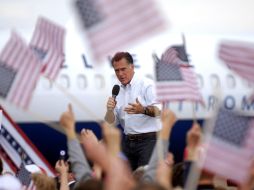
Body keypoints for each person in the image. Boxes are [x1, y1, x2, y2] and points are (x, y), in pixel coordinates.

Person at [105, 52, 162, 170]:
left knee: (145, 183)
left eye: (123, 69)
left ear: (132, 67)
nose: (120, 74)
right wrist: (110, 110)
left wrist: (143, 110)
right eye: (117, 71)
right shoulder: (117, 90)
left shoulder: (146, 84)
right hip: (127, 143)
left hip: (148, 142)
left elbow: (160, 110)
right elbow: (110, 122)